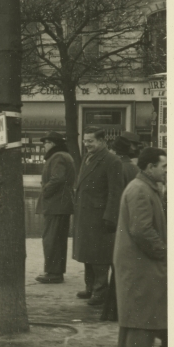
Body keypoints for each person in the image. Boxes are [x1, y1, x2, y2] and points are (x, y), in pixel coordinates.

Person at [113, 147, 167, 347]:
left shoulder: (144, 187)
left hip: (136, 259)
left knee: (136, 309)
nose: (166, 171)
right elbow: (142, 230)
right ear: (149, 167)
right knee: (142, 310)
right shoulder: (140, 190)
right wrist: (164, 252)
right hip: (139, 261)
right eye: (163, 166)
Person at [71, 129, 124, 306]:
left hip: (99, 218)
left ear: (102, 141)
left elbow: (115, 192)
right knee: (88, 254)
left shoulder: (111, 160)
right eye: (85, 141)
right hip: (86, 216)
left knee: (100, 256)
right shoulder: (88, 158)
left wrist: (110, 217)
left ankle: (100, 291)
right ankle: (91, 287)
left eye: (91, 141)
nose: (86, 144)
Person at [100, 132, 141, 321]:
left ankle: (111, 310)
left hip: (119, 222)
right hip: (130, 221)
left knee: (118, 268)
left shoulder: (115, 166)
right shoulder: (132, 169)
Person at [34, 132, 75, 283]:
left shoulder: (57, 157)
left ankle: (53, 273)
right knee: (57, 239)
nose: (44, 146)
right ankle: (55, 271)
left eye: (45, 143)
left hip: (56, 204)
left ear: (52, 144)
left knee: (52, 239)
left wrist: (45, 191)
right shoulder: (64, 156)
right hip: (61, 204)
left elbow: (58, 178)